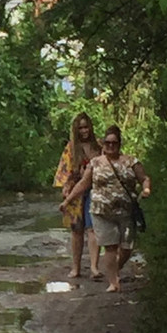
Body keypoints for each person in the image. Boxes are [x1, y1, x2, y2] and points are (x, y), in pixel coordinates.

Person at [60, 125, 151, 293]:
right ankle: (113, 281)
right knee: (109, 246)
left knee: (126, 247)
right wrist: (67, 201)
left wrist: (146, 189)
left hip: (126, 211)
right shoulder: (95, 164)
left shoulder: (131, 162)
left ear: (119, 144)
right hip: (101, 211)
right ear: (103, 145)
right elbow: (83, 184)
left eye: (114, 143)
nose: (110, 146)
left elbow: (144, 178)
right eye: (107, 143)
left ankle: (114, 270)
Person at [53, 112, 101, 280]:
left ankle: (94, 267)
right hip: (76, 191)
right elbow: (64, 172)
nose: (84, 131)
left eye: (86, 127)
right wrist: (66, 188)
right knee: (76, 230)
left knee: (93, 228)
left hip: (95, 191)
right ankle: (76, 268)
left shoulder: (98, 147)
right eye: (80, 128)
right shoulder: (71, 148)